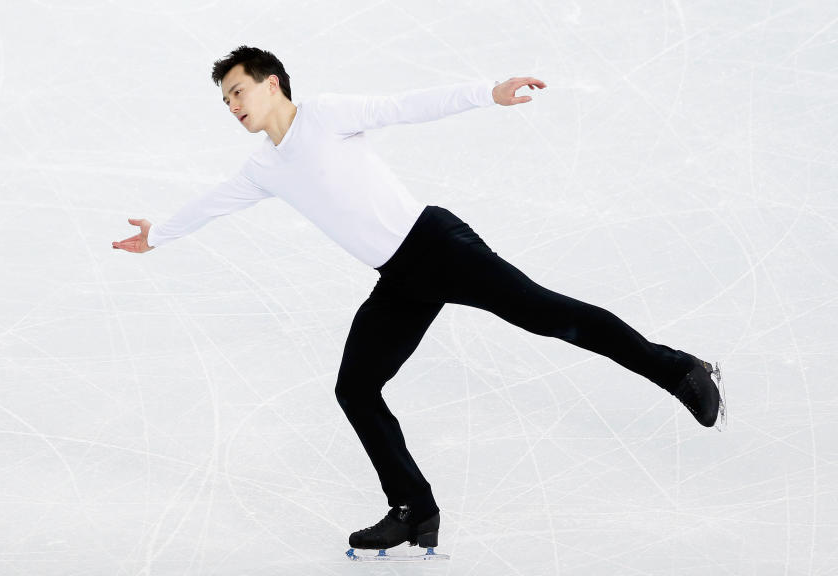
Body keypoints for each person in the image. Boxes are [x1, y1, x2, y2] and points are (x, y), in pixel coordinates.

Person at [112, 45, 726, 555]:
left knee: (550, 315)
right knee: (355, 387)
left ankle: (679, 369)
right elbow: (214, 201)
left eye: (238, 91)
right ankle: (413, 511)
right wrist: (158, 234)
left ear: (272, 84)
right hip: (399, 278)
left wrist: (490, 90)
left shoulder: (325, 115)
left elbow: (405, 107)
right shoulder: (264, 168)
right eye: (225, 100)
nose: (233, 106)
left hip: (438, 245)